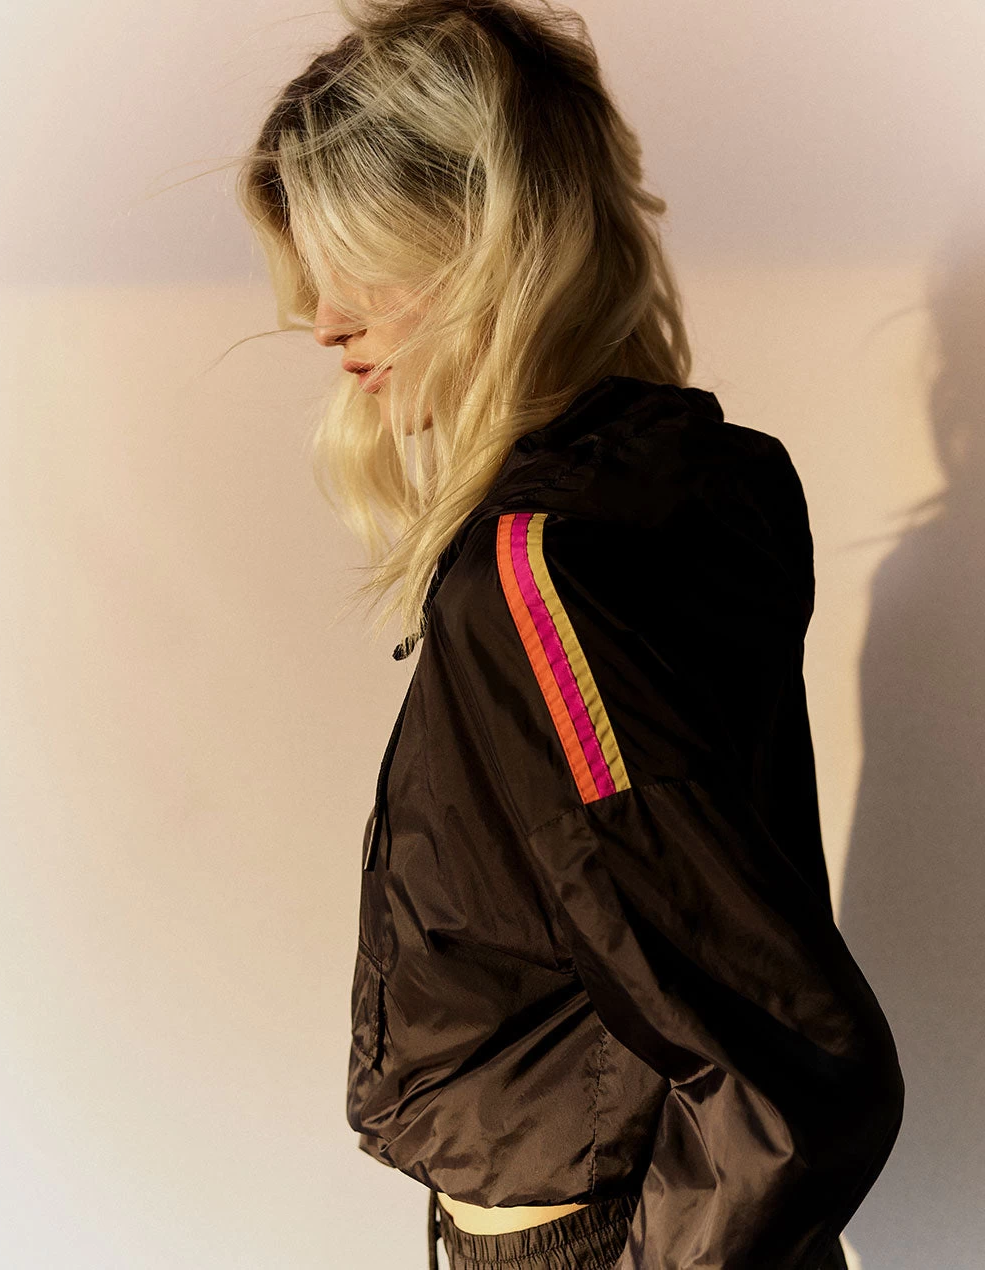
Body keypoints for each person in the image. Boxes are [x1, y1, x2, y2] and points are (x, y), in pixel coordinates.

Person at [234, 1, 904, 1267]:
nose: (321, 321)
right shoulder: (683, 490)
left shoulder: (540, 571)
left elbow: (788, 1069)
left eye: (354, 264)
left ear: (480, 242)